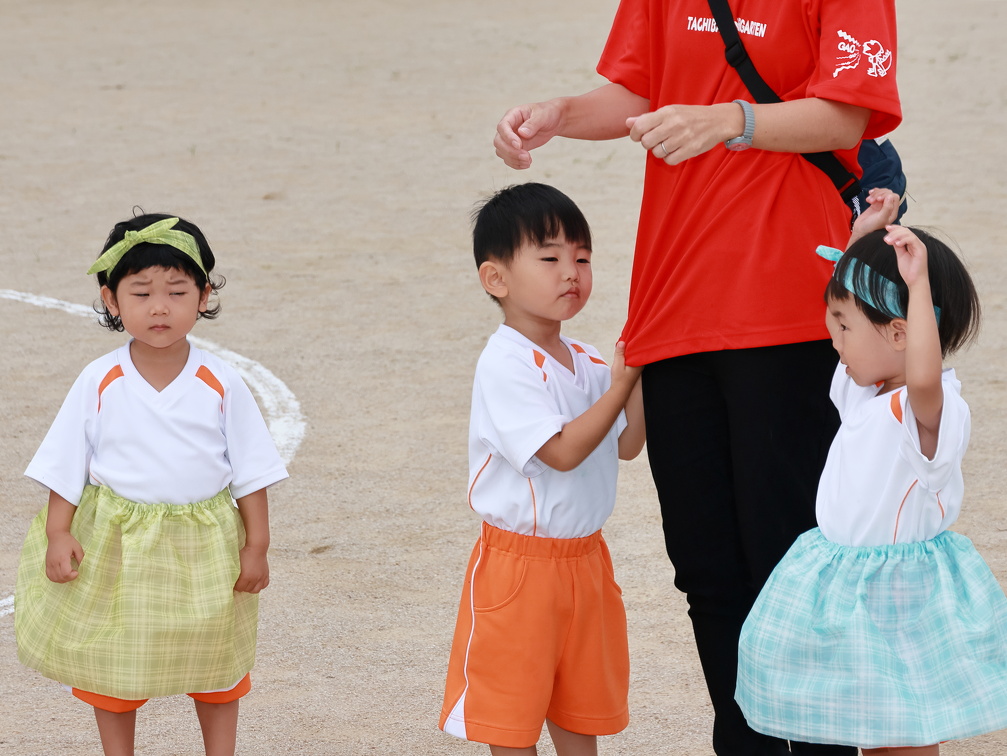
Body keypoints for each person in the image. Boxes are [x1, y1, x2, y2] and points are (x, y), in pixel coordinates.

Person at [493, 3, 902, 753]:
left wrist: (729, 121)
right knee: (706, 569)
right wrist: (562, 115)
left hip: (786, 307)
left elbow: (848, 114)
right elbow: (639, 94)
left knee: (791, 559)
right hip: (672, 303)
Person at [736, 188, 1007, 754]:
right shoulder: (865, 393)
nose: (833, 340)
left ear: (902, 333)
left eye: (843, 327)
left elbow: (923, 375)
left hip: (900, 596)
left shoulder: (927, 411)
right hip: (847, 583)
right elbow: (863, 320)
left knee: (903, 735)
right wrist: (861, 239)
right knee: (871, 734)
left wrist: (917, 284)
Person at [14, 213, 288, 756]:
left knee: (216, 664)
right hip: (118, 543)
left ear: (203, 296)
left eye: (177, 291)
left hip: (206, 544)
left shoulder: (221, 381)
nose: (159, 307)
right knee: (114, 664)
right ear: (111, 300)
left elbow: (251, 471)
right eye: (141, 293)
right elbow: (67, 463)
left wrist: (257, 544)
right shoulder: (99, 378)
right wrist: (58, 532)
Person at [439, 182, 646, 755]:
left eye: (582, 258)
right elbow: (561, 452)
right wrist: (623, 382)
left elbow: (628, 445)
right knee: (512, 715)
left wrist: (639, 370)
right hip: (520, 567)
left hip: (587, 558)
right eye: (550, 259)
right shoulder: (504, 362)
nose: (571, 273)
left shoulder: (589, 359)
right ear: (496, 279)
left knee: (579, 707)